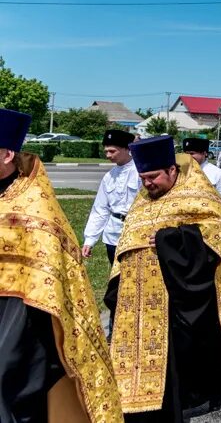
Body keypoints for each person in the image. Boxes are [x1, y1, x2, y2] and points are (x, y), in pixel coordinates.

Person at [105, 135, 221, 421]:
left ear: (172, 171)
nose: (147, 184)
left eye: (153, 177)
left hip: (184, 293)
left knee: (185, 350)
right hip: (140, 296)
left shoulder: (200, 196)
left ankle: (198, 396)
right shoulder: (142, 200)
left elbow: (215, 232)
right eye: (142, 178)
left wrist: (167, 239)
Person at [0, 108, 123, 422]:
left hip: (23, 309)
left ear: (7, 154)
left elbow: (51, 261)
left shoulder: (34, 202)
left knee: (6, 376)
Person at [83, 128, 140, 265]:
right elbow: (100, 209)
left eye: (112, 151)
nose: (108, 155)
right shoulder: (109, 177)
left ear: (127, 149)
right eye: (106, 151)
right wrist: (90, 240)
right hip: (113, 235)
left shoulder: (141, 172)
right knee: (116, 280)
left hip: (136, 233)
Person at [183, 136, 221, 206]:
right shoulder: (181, 172)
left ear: (204, 153)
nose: (188, 157)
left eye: (192, 153)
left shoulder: (217, 174)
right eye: (186, 154)